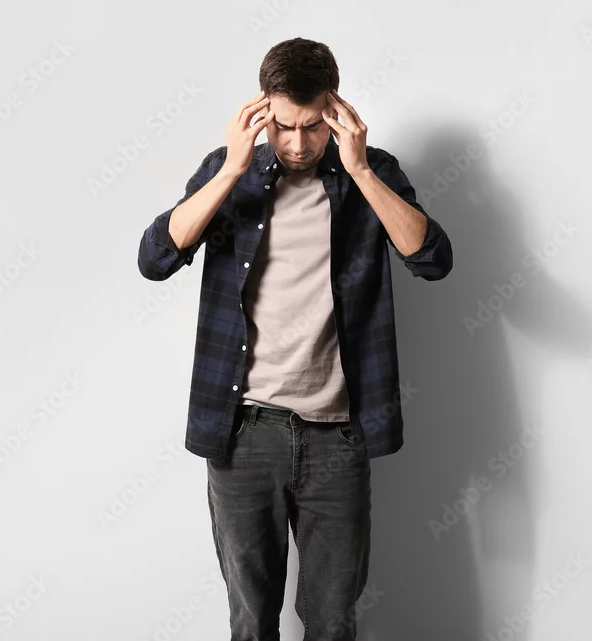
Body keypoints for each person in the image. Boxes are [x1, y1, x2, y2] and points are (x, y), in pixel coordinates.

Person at [136, 37, 453, 640]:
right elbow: (155, 259)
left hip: (338, 437)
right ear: (262, 111)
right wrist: (231, 169)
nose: (299, 144)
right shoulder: (228, 171)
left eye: (312, 126)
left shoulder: (371, 172)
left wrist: (360, 170)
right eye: (283, 126)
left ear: (334, 108)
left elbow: (432, 260)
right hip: (243, 433)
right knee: (251, 623)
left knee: (332, 622)